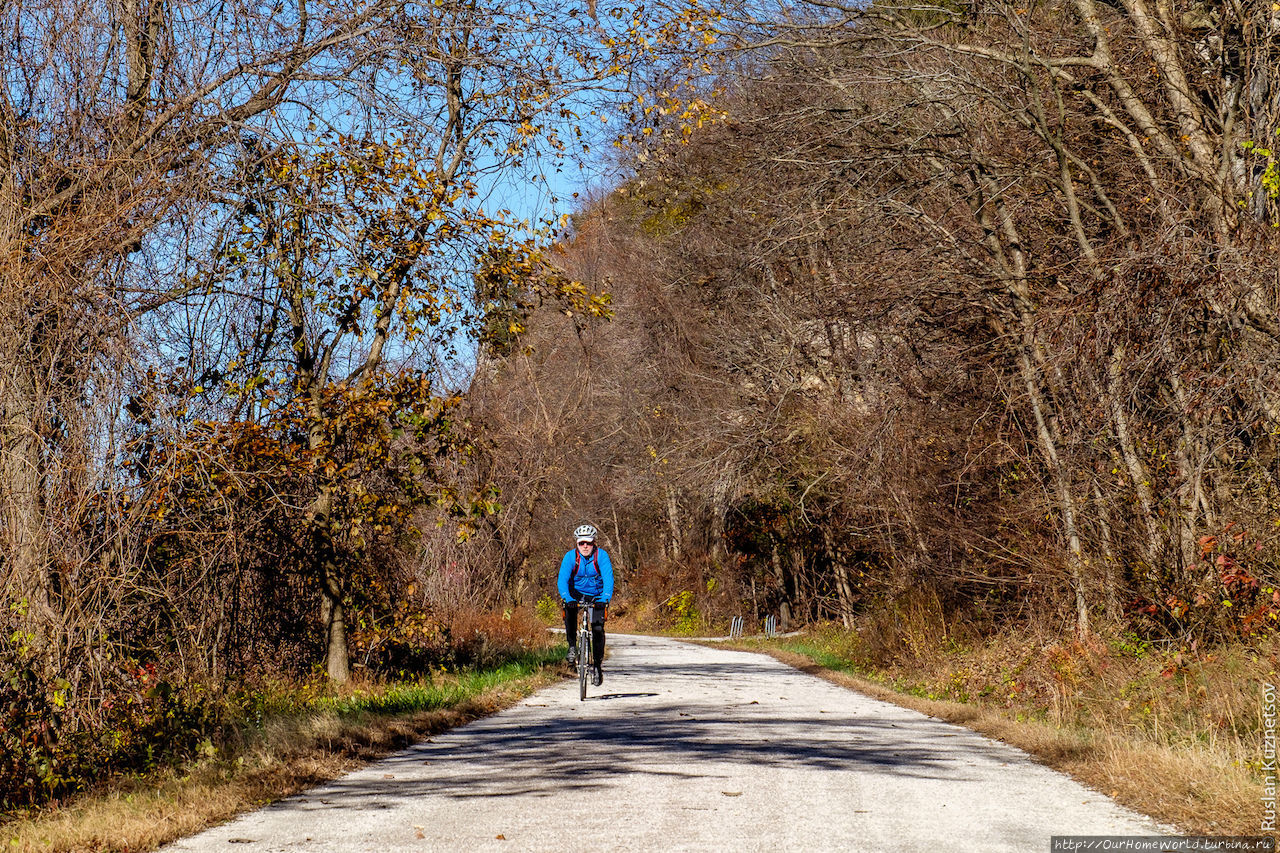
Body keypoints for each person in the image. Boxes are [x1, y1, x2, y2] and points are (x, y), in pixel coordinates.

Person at [558, 523, 614, 686]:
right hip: (575, 595)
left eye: (588, 543)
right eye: (581, 543)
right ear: (576, 543)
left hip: (597, 596)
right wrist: (567, 598)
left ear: (594, 543)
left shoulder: (601, 556)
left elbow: (609, 579)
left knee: (597, 628)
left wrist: (605, 598)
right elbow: (562, 580)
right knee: (569, 611)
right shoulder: (570, 557)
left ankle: (596, 665)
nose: (584, 546)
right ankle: (571, 647)